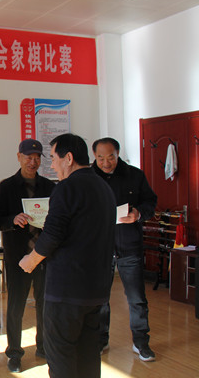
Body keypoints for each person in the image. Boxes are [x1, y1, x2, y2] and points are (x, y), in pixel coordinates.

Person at [20, 133, 116, 378]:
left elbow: (53, 234)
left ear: (69, 158)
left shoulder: (66, 188)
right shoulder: (103, 187)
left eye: (54, 158)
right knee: (88, 354)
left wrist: (30, 260)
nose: (52, 165)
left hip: (67, 290)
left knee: (61, 354)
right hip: (96, 289)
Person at [92, 137, 157, 361]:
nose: (105, 162)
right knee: (99, 298)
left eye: (110, 157)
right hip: (99, 248)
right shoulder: (88, 178)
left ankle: (141, 342)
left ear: (118, 154)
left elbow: (150, 202)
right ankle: (100, 340)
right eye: (100, 158)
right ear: (94, 156)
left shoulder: (135, 175)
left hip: (129, 245)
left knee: (137, 298)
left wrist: (138, 214)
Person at [0, 139, 55, 373]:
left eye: (37, 157)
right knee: (16, 306)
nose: (33, 162)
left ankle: (44, 347)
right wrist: (13, 220)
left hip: (45, 256)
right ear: (19, 157)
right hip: (18, 257)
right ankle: (14, 353)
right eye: (29, 157)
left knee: (45, 304)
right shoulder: (7, 187)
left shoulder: (49, 187)